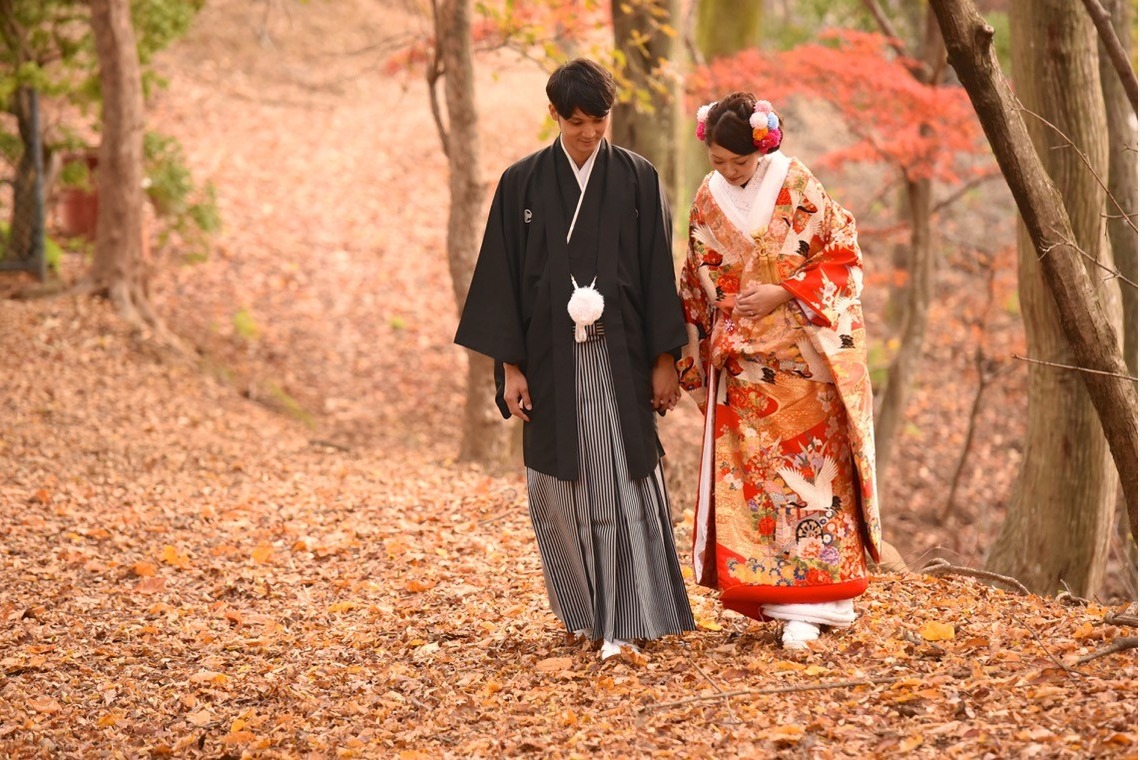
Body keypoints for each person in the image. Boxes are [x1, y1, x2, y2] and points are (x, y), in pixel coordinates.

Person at [454, 58, 695, 660]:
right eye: (578, 121)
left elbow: (656, 274)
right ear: (555, 116)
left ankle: (625, 623)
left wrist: (665, 358)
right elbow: (504, 282)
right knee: (561, 490)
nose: (590, 133)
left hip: (621, 357)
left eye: (600, 120)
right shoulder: (522, 183)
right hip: (548, 360)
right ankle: (585, 614)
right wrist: (510, 370)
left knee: (619, 483)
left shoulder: (639, 178)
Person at [677, 92, 881, 650]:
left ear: (762, 148)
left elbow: (842, 254)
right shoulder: (706, 199)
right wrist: (690, 354)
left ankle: (825, 598)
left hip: (803, 359)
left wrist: (784, 291)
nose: (728, 171)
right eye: (718, 162)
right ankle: (781, 598)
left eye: (738, 162)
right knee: (760, 484)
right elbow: (696, 282)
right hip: (744, 367)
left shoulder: (798, 184)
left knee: (815, 478)